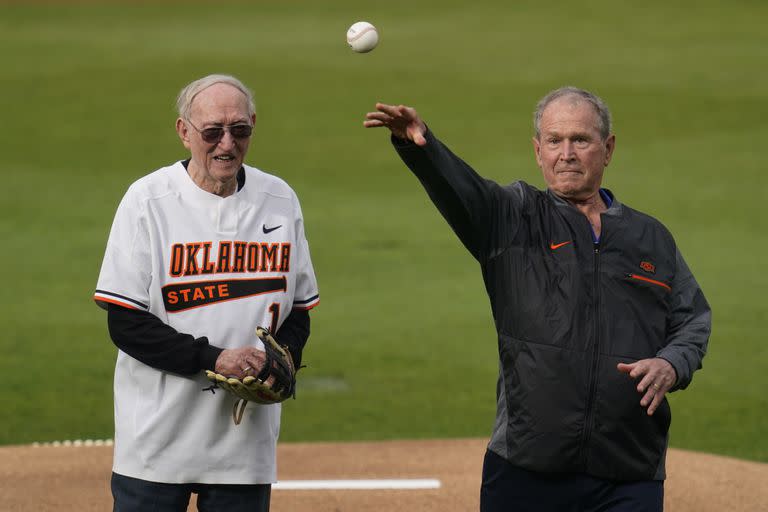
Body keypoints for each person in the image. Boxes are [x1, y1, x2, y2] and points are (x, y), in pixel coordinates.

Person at [364, 87, 711, 511]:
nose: (566, 153)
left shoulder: (650, 238)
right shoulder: (511, 217)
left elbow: (692, 320)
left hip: (628, 473)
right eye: (554, 140)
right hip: (526, 470)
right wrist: (420, 146)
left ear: (608, 148)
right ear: (538, 150)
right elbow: (462, 190)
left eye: (580, 140)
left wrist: (671, 363)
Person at [94, 74, 319, 512]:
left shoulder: (280, 199)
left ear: (253, 125)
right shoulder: (147, 201)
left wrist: (281, 360)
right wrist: (214, 359)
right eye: (212, 131)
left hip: (245, 444)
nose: (227, 145)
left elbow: (298, 310)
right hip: (156, 442)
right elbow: (125, 323)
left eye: (240, 130)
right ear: (184, 132)